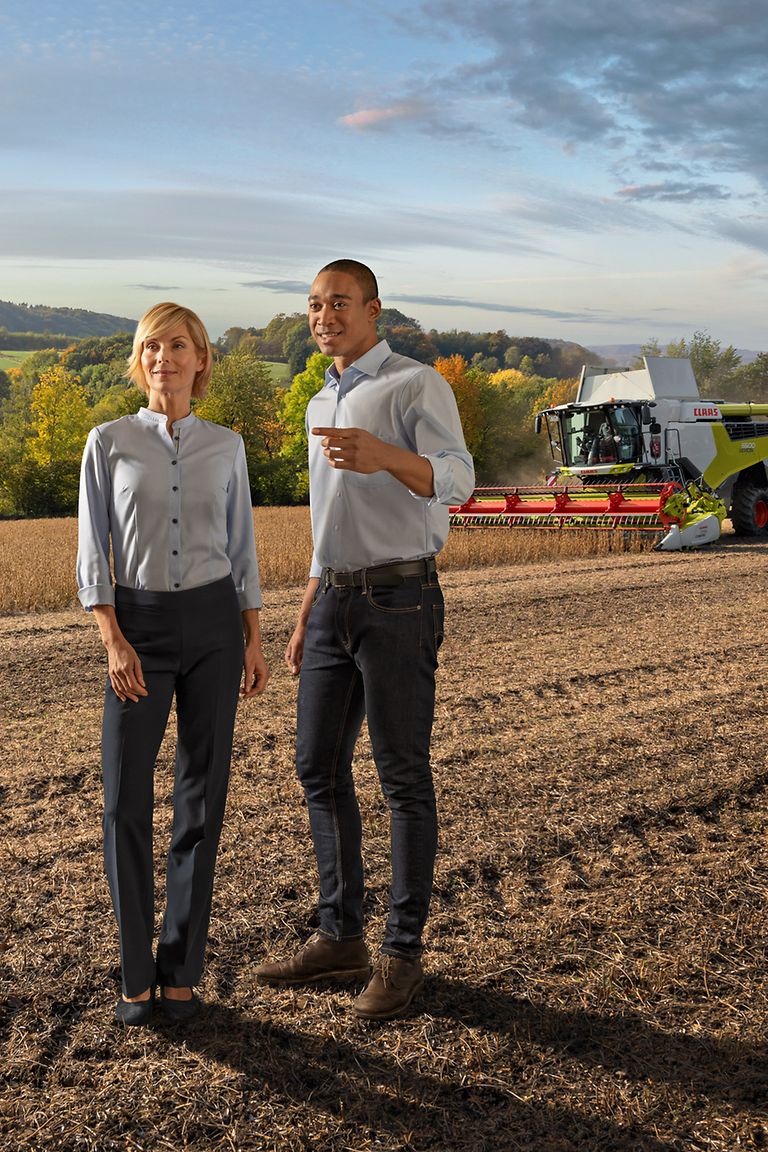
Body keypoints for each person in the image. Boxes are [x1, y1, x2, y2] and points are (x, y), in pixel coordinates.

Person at [255, 260, 474, 1019]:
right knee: (316, 766)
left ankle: (401, 955)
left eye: (340, 303)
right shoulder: (321, 398)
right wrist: (307, 609)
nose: (325, 317)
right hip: (333, 602)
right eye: (315, 305)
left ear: (374, 309)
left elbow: (459, 479)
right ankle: (340, 938)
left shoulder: (415, 384)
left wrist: (386, 456)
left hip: (400, 600)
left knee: (402, 777)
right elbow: (330, 521)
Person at [77, 302, 269, 1026]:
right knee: (124, 801)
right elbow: (93, 549)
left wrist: (252, 636)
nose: (164, 357)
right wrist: (113, 637)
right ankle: (135, 974)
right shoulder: (109, 441)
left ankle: (181, 971)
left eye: (178, 345)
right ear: (140, 360)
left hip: (216, 626)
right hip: (140, 629)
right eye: (151, 346)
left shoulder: (227, 446)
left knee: (202, 799)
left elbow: (243, 548)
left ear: (200, 359)